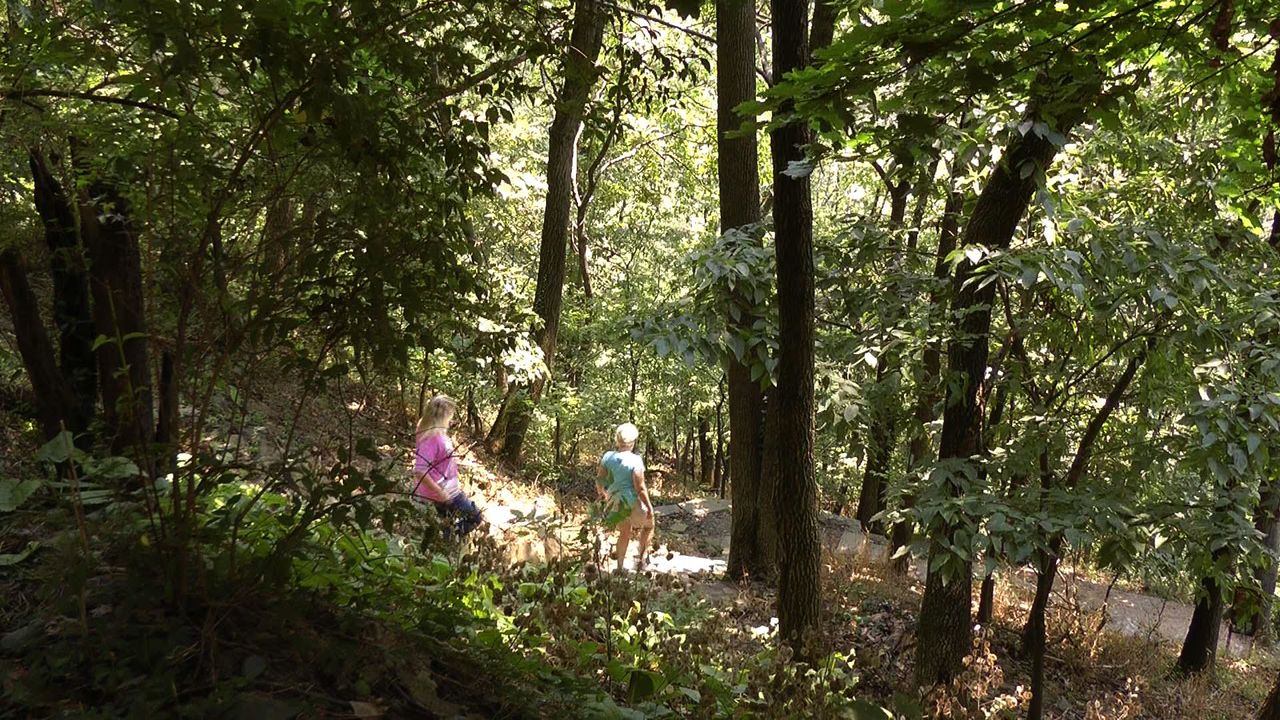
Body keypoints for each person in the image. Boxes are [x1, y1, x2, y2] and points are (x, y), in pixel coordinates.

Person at [413, 395, 483, 540]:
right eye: (449, 415)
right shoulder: (431, 438)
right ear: (443, 416)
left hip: (447, 489)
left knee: (446, 523)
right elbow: (420, 470)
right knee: (475, 516)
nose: (451, 420)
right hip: (440, 493)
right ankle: (447, 540)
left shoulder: (434, 433)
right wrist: (441, 493)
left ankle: (444, 541)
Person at [597, 422, 655, 571]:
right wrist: (649, 507)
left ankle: (620, 567)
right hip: (631, 501)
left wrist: (603, 494)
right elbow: (640, 487)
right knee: (649, 525)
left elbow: (600, 480)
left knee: (624, 532)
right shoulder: (635, 460)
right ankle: (641, 561)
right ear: (632, 442)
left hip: (614, 500)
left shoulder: (608, 457)